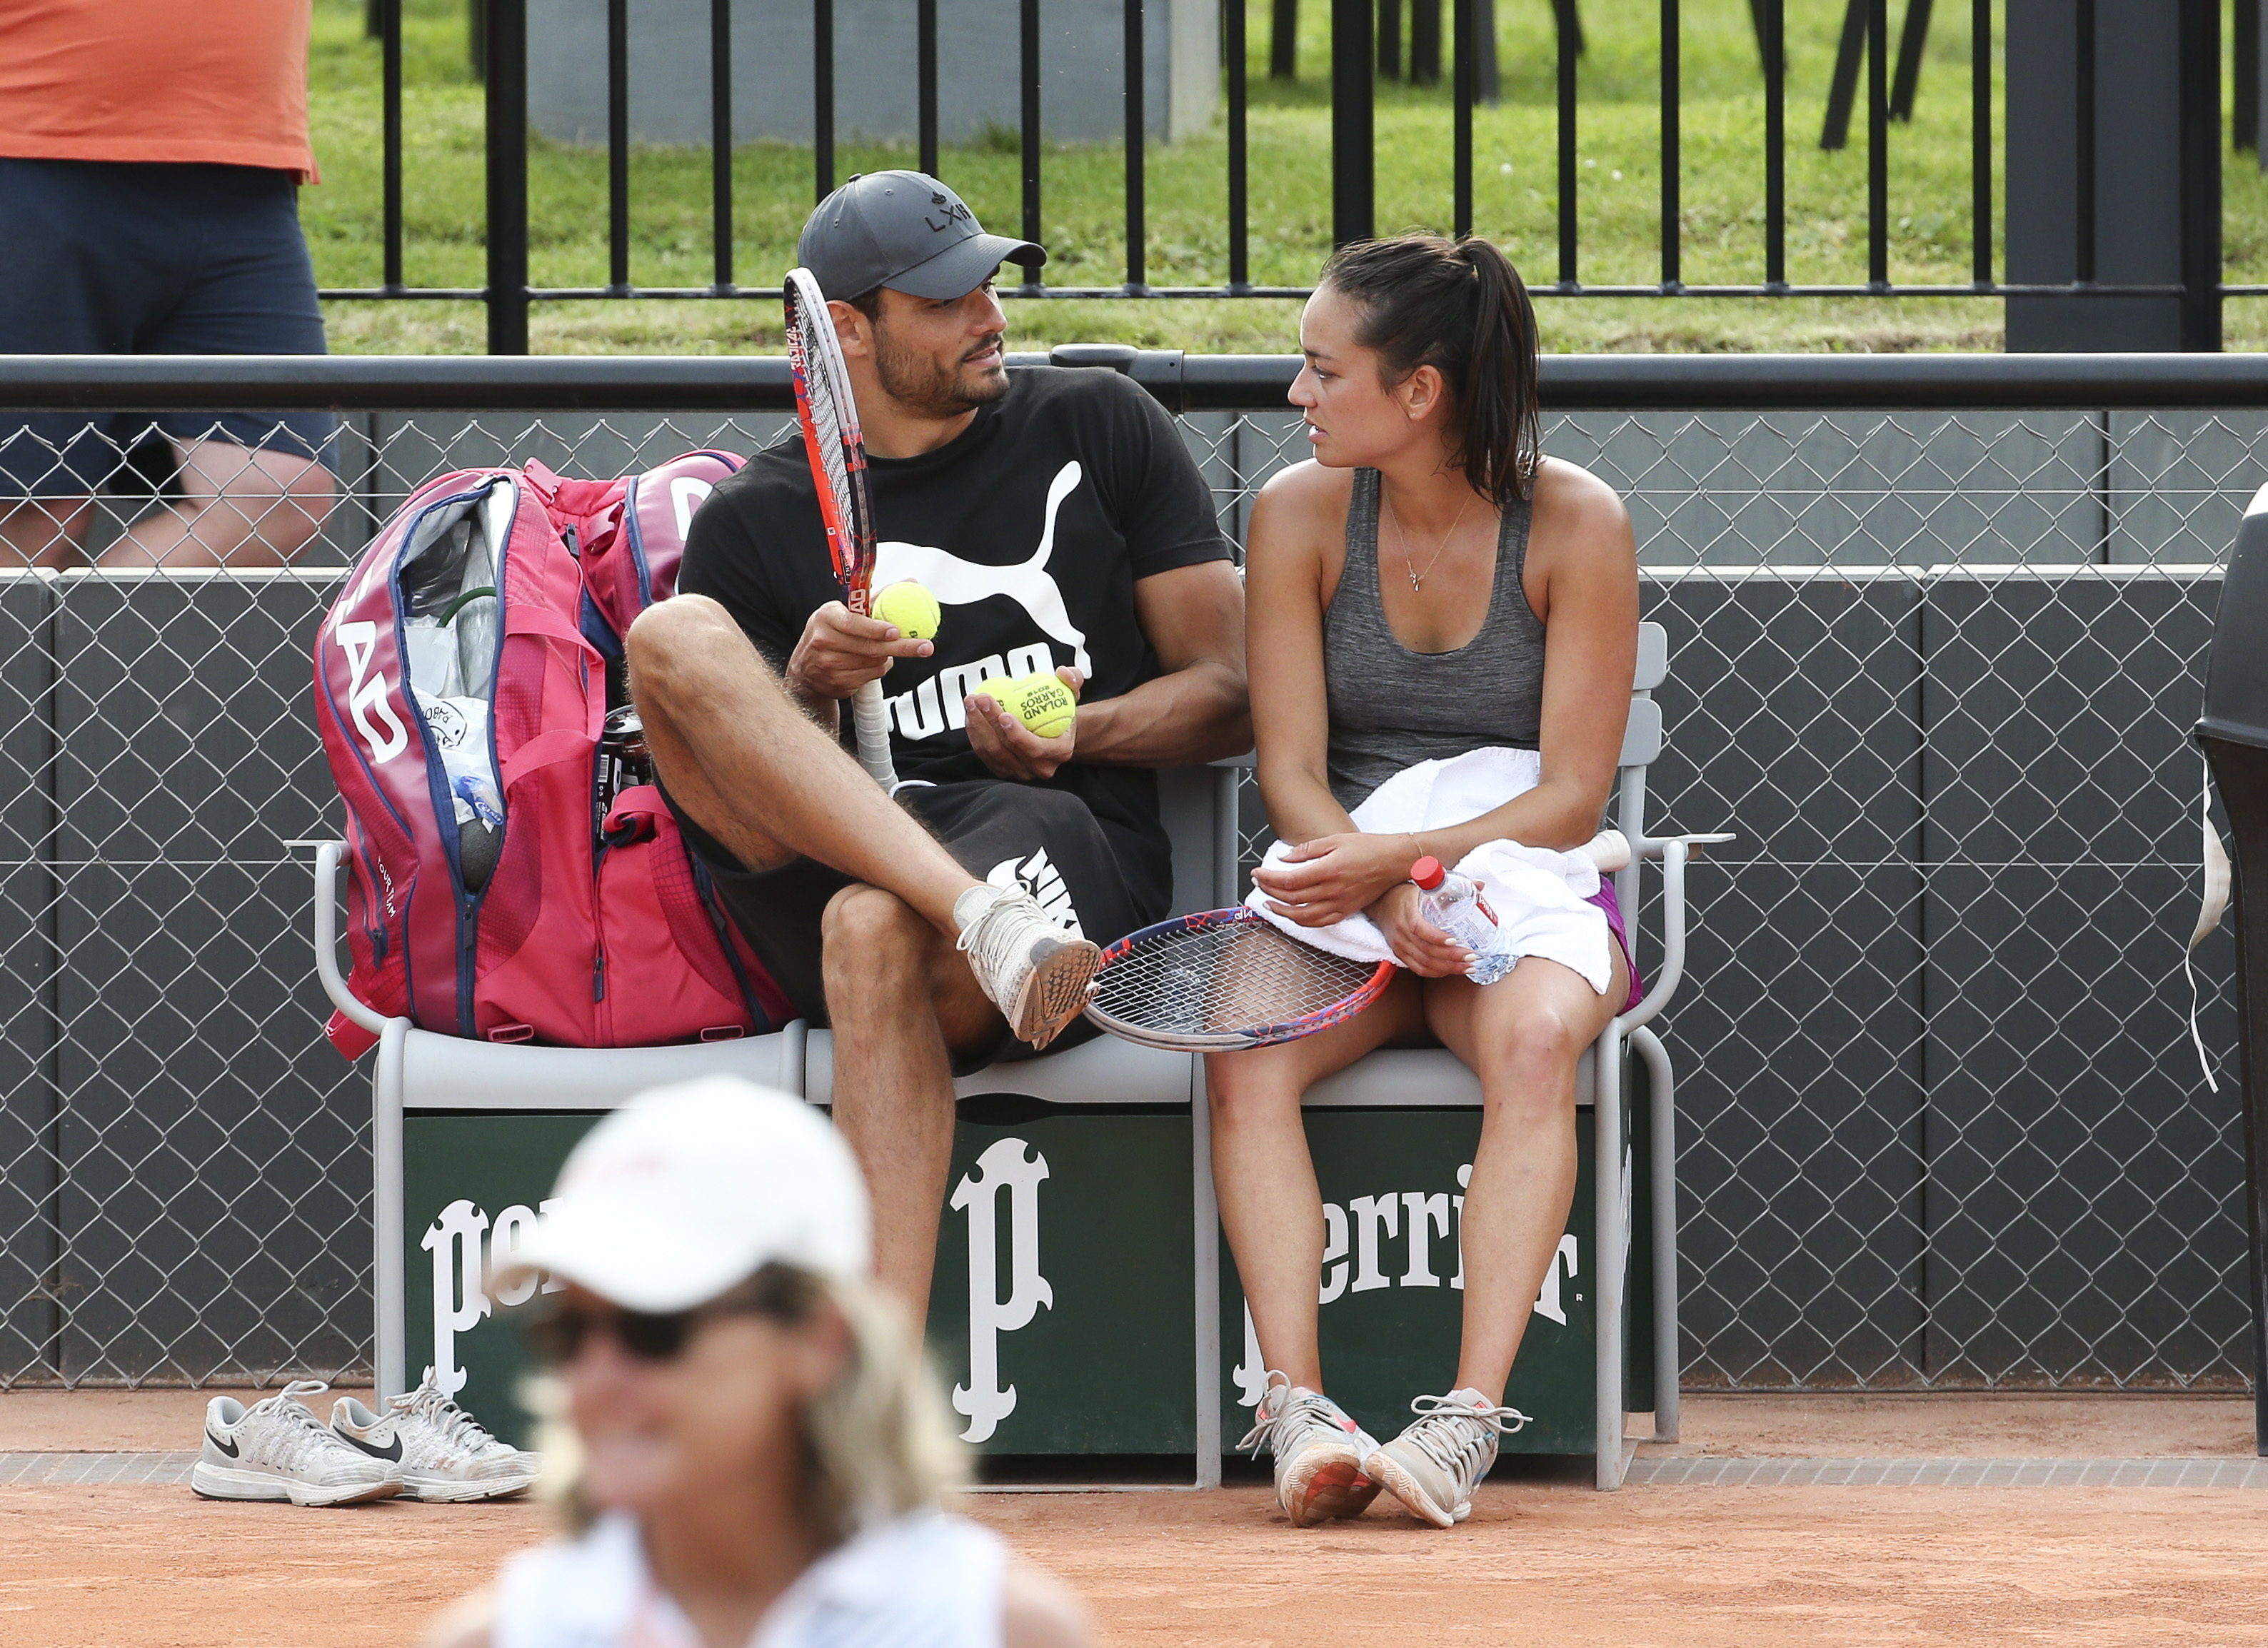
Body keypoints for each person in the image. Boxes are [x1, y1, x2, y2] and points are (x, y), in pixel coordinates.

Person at [628, 171, 1247, 1317]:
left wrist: (1077, 733)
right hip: (831, 870)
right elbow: (758, 800)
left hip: (1058, 854)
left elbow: (1236, 689)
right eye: (949, 298)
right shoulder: (753, 519)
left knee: (873, 927)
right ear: (847, 330)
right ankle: (973, 914)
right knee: (671, 634)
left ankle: (869, 1420)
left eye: (991, 285)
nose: (991, 315)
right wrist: (808, 686)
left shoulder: (1097, 422)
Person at [1212, 234, 1641, 1529]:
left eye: (1319, 370)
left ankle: (1460, 1425)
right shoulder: (1291, 513)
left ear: (1419, 392)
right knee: (1240, 1047)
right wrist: (1378, 890)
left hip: (1518, 882)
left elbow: (1572, 793)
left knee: (1536, 1052)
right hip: (1352, 889)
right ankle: (1297, 1413)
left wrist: (1413, 869)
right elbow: (1287, 765)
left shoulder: (1578, 523)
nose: (1296, 396)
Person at [423, 1075, 1090, 1648]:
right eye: (567, 1334)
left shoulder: (1003, 1631)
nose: (593, 1382)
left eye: (657, 1328)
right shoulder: (495, 1637)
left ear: (820, 1340)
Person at [0, 0, 338, 569]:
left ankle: (68, 660)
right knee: (34, 510)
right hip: (32, 144)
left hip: (244, 166)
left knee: (277, 492)